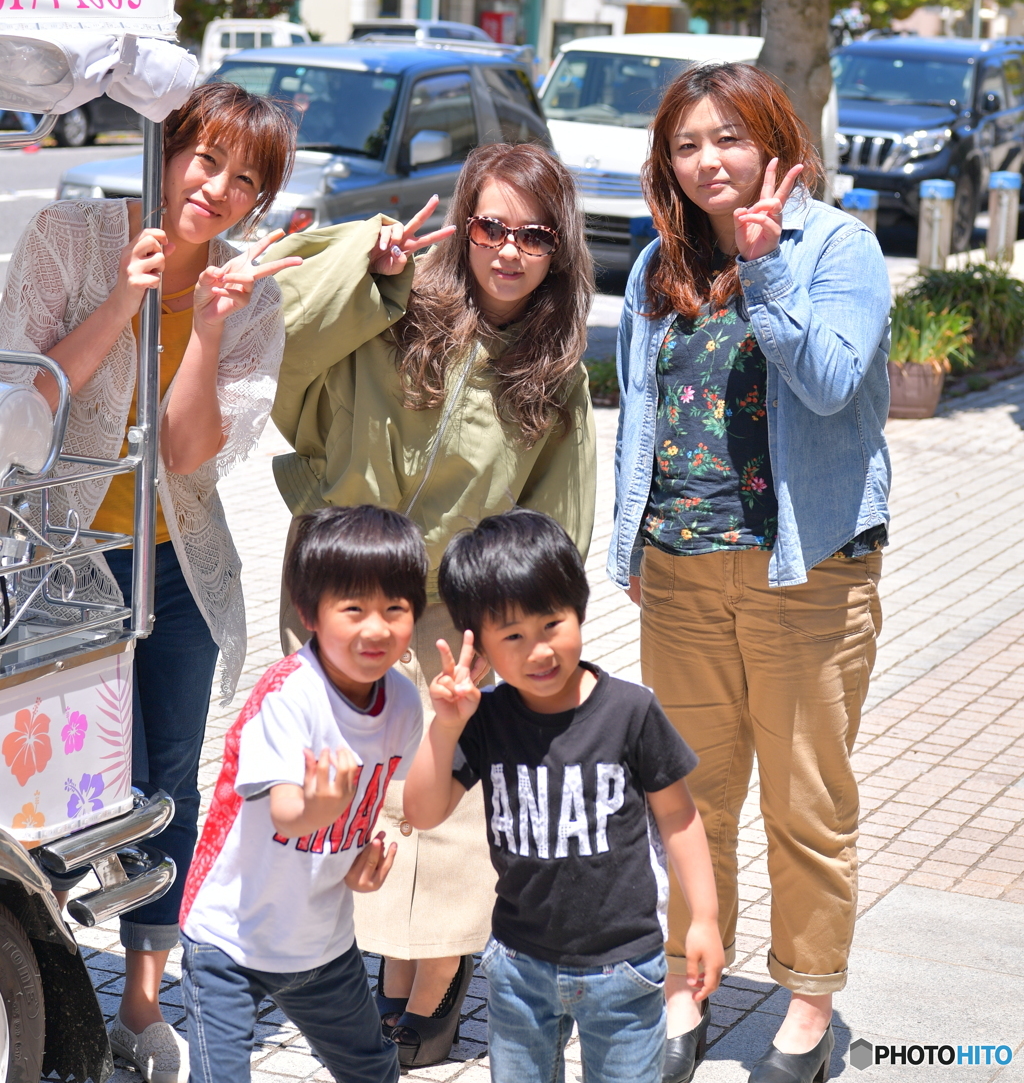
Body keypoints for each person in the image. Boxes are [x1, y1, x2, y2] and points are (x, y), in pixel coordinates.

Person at [270, 141, 597, 1068]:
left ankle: (434, 994)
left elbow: (555, 524)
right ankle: (376, 965)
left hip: (458, 613)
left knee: (446, 810)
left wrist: (525, 642)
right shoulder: (395, 302)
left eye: (533, 235)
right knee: (350, 786)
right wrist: (359, 265)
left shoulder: (556, 370)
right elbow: (277, 334)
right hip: (339, 582)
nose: (508, 250)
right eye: (491, 225)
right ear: (464, 222)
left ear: (557, 250)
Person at [0, 80, 299, 1083]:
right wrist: (127, 295)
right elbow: (19, 405)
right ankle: (35, 968)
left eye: (245, 179)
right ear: (168, 151)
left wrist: (206, 326)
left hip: (176, 566)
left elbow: (184, 449)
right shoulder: (72, 237)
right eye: (205, 159)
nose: (217, 189)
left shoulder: (252, 294)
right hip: (55, 558)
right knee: (40, 772)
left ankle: (140, 1003)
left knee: (163, 779)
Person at [610, 62, 891, 1083]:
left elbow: (825, 385)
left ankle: (807, 1005)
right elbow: (640, 415)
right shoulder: (657, 266)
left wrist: (765, 267)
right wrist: (629, 540)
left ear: (776, 140)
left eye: (728, 137)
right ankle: (692, 982)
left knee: (805, 804)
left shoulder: (840, 250)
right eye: (686, 144)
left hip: (803, 574)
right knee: (689, 799)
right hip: (681, 574)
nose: (707, 160)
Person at [403, 508, 724, 1083]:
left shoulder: (631, 710)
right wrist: (445, 724)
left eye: (551, 624)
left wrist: (702, 918)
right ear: (479, 645)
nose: (539, 651)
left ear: (577, 607)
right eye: (513, 637)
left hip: (626, 965)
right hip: (520, 965)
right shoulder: (487, 719)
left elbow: (678, 816)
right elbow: (422, 811)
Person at [180, 505, 427, 1083]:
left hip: (322, 943)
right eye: (353, 609)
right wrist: (324, 806)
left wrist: (355, 866)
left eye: (396, 608)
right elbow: (289, 813)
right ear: (308, 612)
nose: (376, 628)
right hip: (229, 942)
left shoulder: (404, 704)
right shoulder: (289, 695)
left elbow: (404, 806)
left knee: (372, 1070)